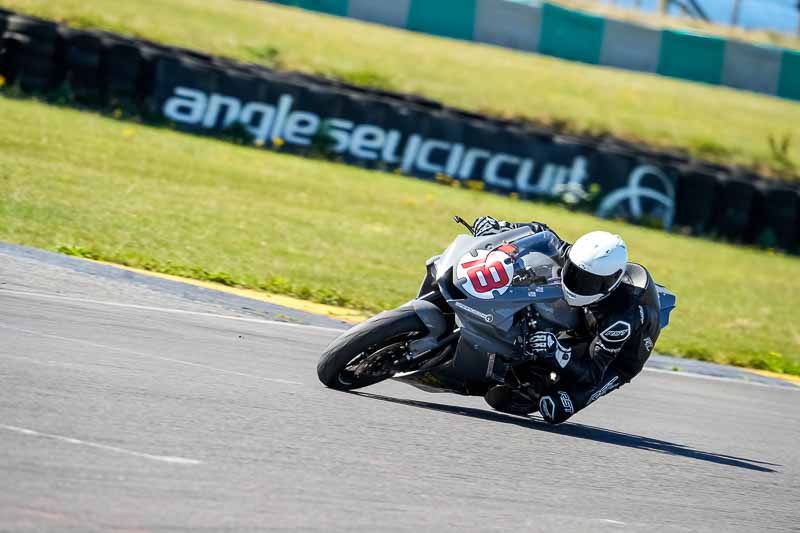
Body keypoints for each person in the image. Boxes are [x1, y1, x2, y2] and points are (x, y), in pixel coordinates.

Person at [472, 216, 662, 425]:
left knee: (556, 409)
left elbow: (591, 374)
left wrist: (557, 351)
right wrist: (501, 227)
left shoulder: (620, 320)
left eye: (588, 282)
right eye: (574, 272)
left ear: (610, 283)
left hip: (617, 361)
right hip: (589, 313)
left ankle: (537, 381)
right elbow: (542, 233)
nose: (577, 283)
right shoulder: (584, 261)